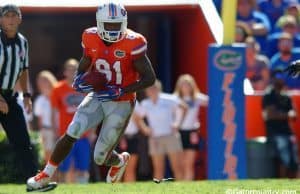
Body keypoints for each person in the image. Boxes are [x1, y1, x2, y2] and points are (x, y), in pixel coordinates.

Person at [27, 1, 155, 191]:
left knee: (100, 157)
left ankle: (119, 160)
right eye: (109, 24)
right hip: (98, 95)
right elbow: (86, 59)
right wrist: (79, 76)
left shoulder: (134, 42)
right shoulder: (90, 36)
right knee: (73, 130)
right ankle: (46, 174)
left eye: (116, 24)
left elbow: (149, 78)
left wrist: (122, 90)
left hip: (122, 101)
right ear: (100, 23)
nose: (112, 29)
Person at [0, 4, 37, 181]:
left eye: (15, 16)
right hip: (1, 97)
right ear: (0, 20)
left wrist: (27, 95)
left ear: (20, 19)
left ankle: (33, 181)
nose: (11, 19)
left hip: (9, 96)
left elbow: (24, 69)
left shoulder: (23, 41)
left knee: (23, 141)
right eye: (7, 16)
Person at [50, 59, 91, 184]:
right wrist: (55, 132)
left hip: (82, 135)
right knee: (63, 168)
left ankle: (83, 190)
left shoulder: (85, 88)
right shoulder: (57, 89)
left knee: (83, 168)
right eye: (70, 69)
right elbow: (54, 113)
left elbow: (92, 111)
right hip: (65, 135)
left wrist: (92, 131)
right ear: (65, 71)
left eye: (75, 69)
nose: (73, 72)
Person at [138, 80, 185, 181]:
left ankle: (183, 190)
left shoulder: (169, 99)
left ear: (159, 89)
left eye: (154, 88)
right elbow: (138, 117)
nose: (151, 91)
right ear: (146, 91)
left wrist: (177, 123)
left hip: (171, 136)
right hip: (155, 138)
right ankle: (158, 191)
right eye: (149, 89)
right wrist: (145, 129)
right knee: (158, 168)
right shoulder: (145, 103)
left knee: (177, 166)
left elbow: (183, 107)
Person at [262, 73, 298, 178]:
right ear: (272, 79)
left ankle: (293, 187)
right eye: (278, 77)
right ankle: (282, 184)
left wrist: (280, 114)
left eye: (282, 77)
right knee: (282, 160)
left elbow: (294, 115)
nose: (280, 80)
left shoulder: (286, 96)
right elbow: (270, 115)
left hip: (288, 132)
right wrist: (286, 114)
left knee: (293, 161)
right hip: (275, 133)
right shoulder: (269, 95)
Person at [173, 74, 208, 181]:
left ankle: (187, 187)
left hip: (192, 132)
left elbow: (215, 102)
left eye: (188, 84)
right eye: (183, 85)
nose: (185, 87)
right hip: (178, 133)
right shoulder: (174, 99)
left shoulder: (197, 98)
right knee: (180, 164)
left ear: (192, 86)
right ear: (179, 86)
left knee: (189, 163)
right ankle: (180, 188)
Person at [34, 71, 58, 162]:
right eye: (40, 81)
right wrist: (42, 133)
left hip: (60, 130)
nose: (42, 83)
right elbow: (40, 119)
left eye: (45, 80)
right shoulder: (40, 100)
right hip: (47, 130)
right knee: (48, 155)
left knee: (61, 155)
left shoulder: (59, 95)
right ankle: (51, 176)